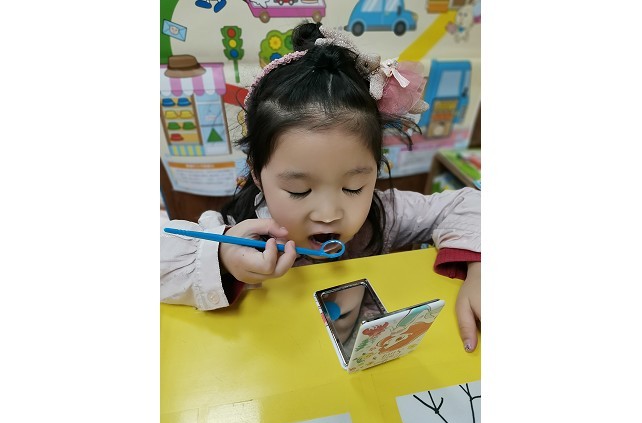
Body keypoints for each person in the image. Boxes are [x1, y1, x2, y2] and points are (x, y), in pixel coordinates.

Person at [160, 22, 481, 352]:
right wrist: (222, 257)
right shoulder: (242, 234)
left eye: (353, 187)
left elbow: (470, 203)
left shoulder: (386, 214)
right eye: (299, 191)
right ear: (257, 174)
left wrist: (481, 269)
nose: (329, 214)